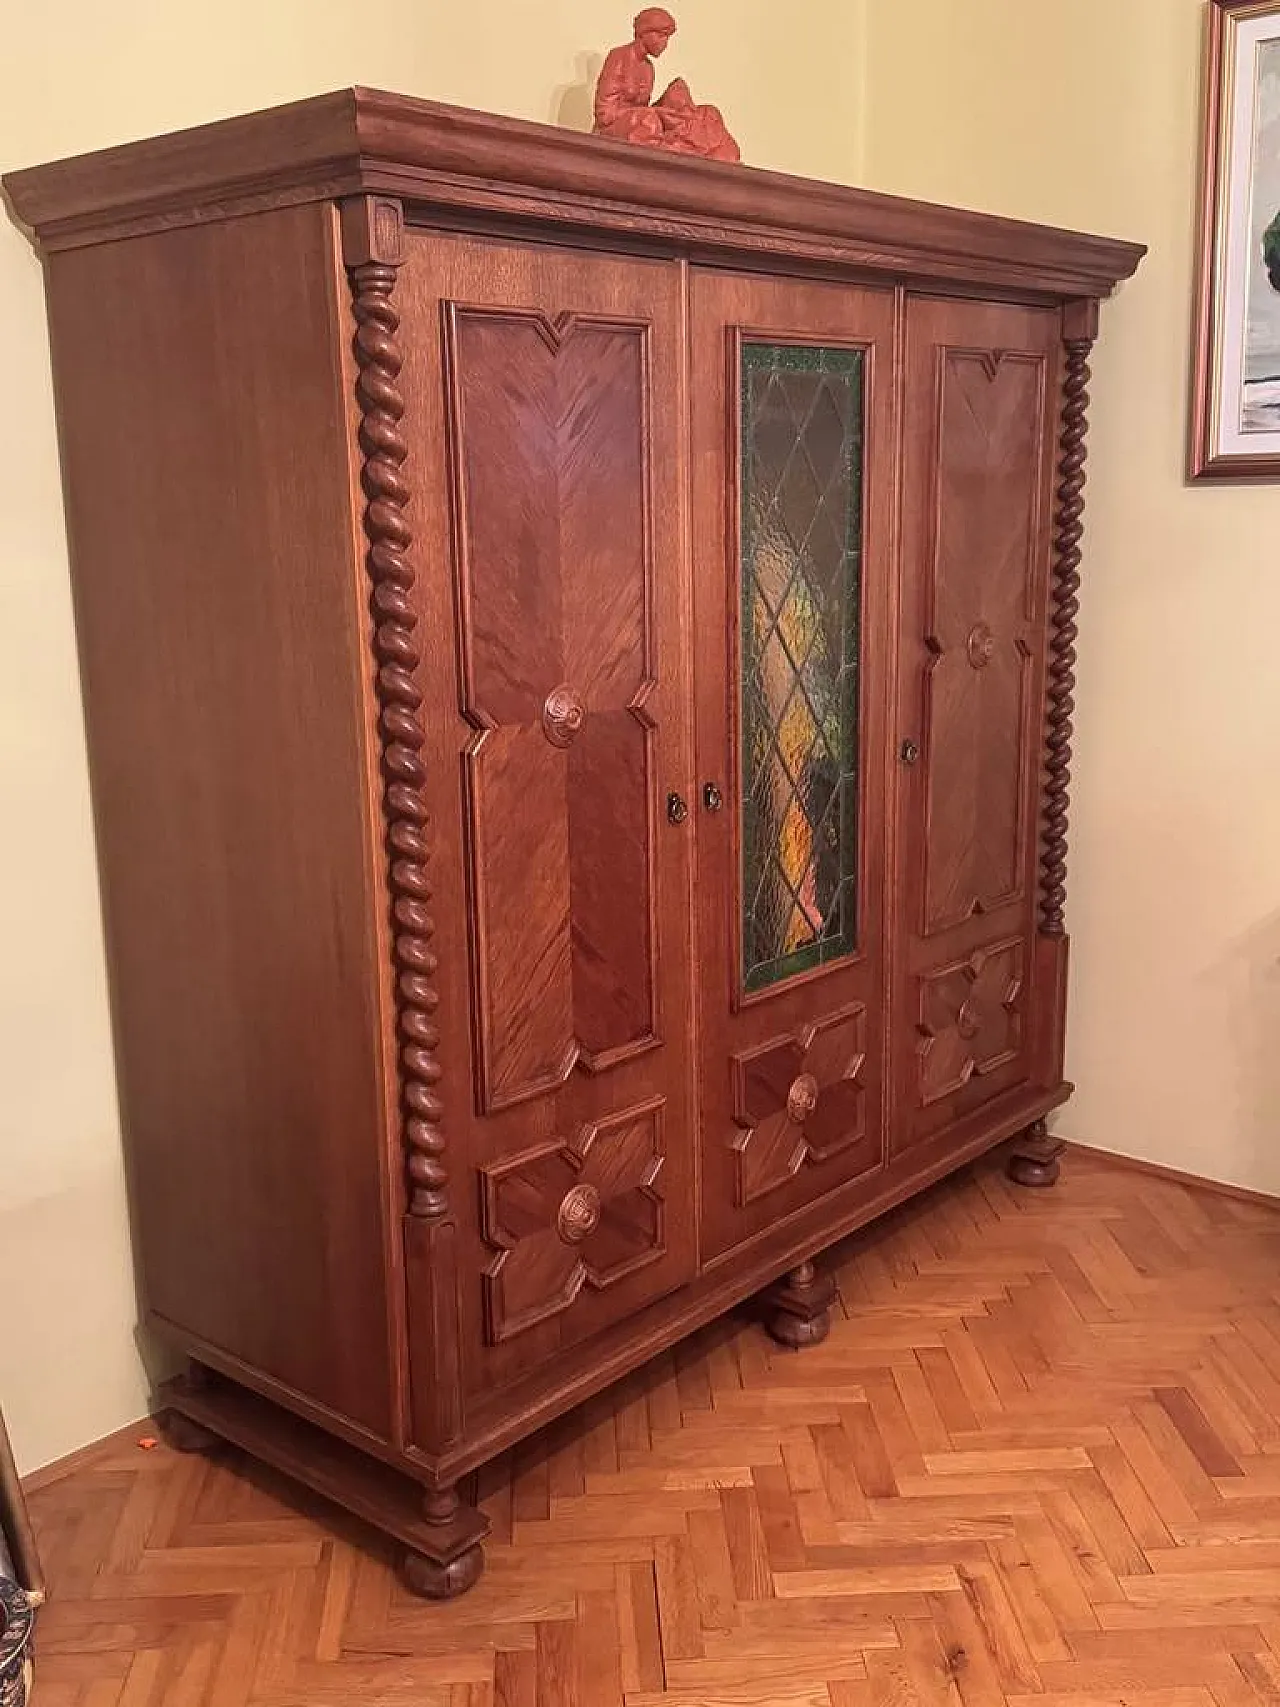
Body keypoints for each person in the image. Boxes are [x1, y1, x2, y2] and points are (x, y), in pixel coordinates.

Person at [593, 8, 741, 162]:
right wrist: (655, 113)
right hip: (614, 128)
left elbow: (646, 107)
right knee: (649, 120)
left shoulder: (648, 68)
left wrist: (668, 102)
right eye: (661, 36)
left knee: (708, 112)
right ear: (643, 33)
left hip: (640, 120)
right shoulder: (619, 57)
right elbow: (605, 115)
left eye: (667, 38)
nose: (665, 43)